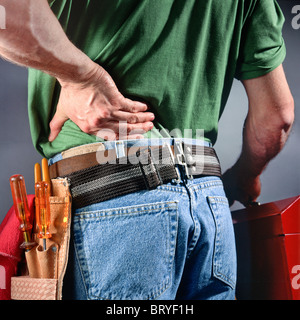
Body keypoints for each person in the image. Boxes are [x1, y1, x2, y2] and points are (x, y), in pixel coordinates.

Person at [0, 0, 294, 300]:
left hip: (113, 193)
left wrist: (80, 78)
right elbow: (277, 116)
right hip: (209, 205)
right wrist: (245, 176)